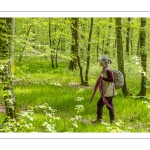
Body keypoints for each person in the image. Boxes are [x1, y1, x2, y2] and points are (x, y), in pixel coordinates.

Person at [90, 55, 117, 124]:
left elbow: (112, 79)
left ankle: (99, 119)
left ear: (103, 62)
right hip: (109, 91)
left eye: (100, 60)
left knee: (99, 104)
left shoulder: (108, 70)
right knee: (110, 105)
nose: (99, 61)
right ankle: (112, 120)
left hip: (108, 91)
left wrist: (102, 78)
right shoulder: (105, 69)